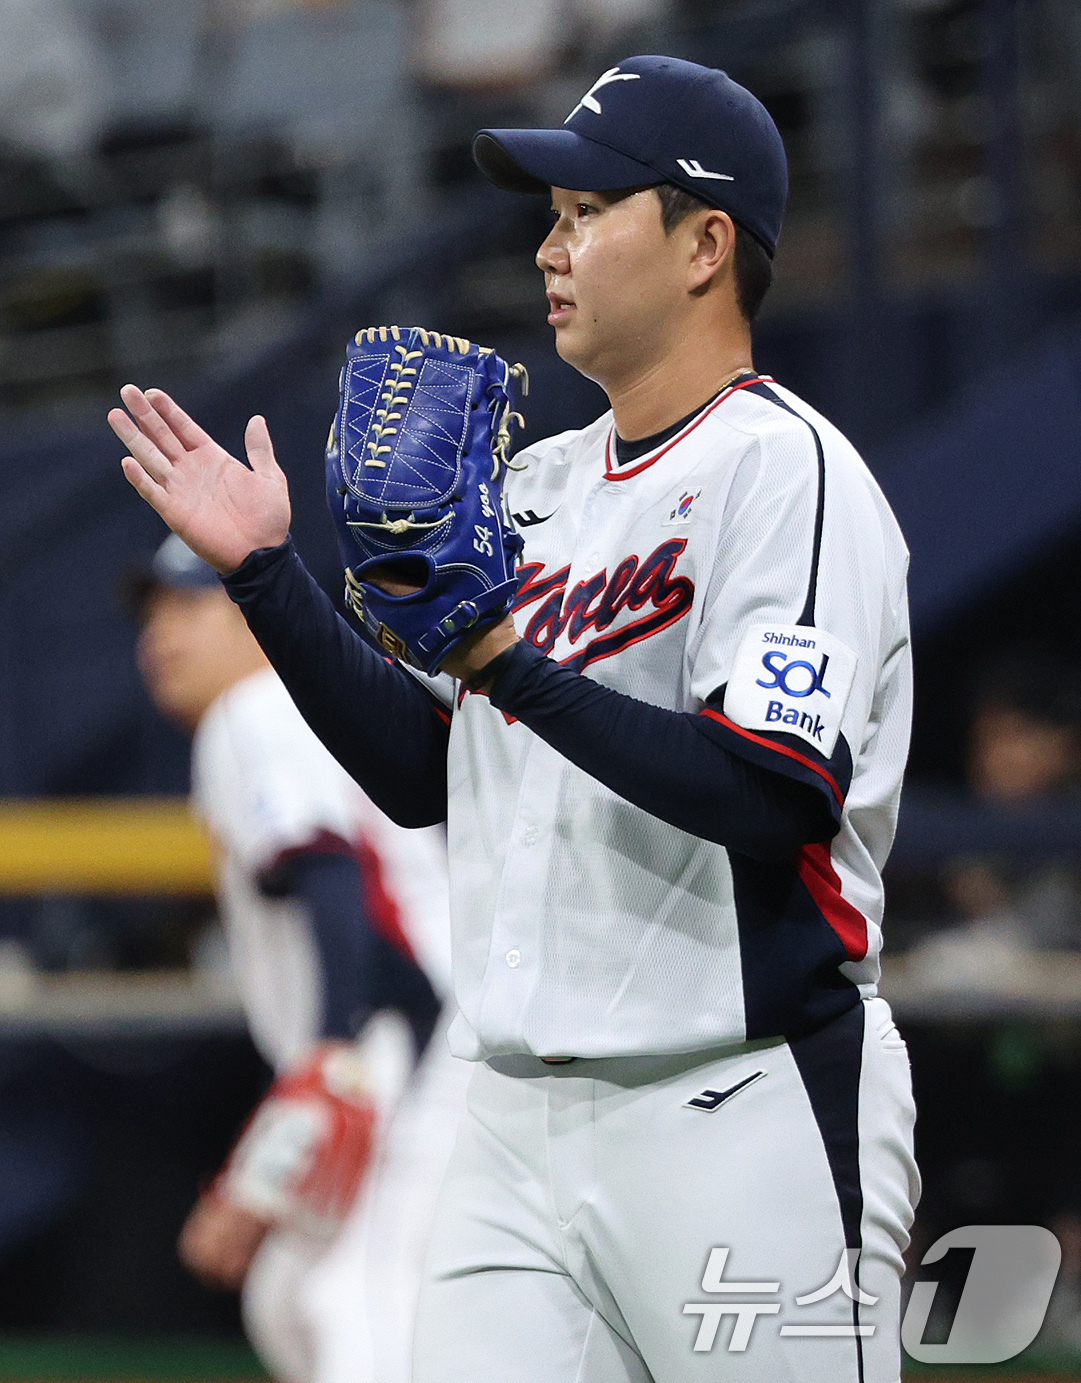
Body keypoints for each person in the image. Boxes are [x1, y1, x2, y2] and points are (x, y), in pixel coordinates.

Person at [109, 54, 919, 1383]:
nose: (552, 245)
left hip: (737, 1089)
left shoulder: (787, 468)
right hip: (509, 1108)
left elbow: (773, 791)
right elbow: (432, 776)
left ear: (706, 243)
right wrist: (267, 576)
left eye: (590, 209)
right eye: (549, 214)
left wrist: (506, 658)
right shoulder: (534, 487)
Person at [132, 532, 469, 1383]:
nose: (159, 633)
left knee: (350, 1300)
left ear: (253, 618)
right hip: (403, 1031)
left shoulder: (253, 711)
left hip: (418, 1036)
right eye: (153, 609)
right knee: (287, 1292)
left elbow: (331, 878)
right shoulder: (295, 707)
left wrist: (326, 1061)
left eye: (188, 604)